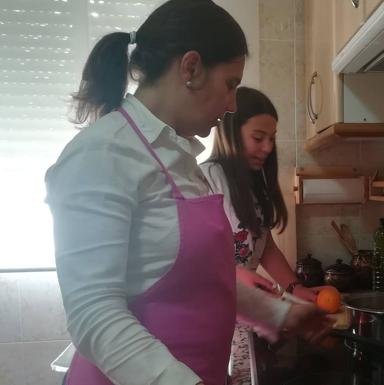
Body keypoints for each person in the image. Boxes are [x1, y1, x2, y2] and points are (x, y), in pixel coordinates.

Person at [45, 2, 330, 385]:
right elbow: (94, 314)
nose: (232, 106)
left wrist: (276, 314)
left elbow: (202, 283)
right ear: (191, 68)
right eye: (230, 85)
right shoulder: (103, 154)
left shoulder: (179, 159)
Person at [200, 87, 332, 304]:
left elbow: (265, 245)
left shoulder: (254, 182)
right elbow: (192, 257)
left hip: (246, 308)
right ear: (231, 132)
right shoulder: (206, 179)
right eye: (258, 138)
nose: (268, 147)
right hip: (213, 308)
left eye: (272, 139)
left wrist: (295, 288)